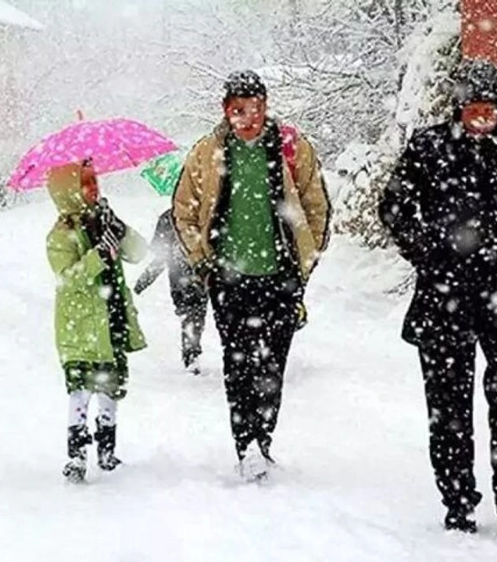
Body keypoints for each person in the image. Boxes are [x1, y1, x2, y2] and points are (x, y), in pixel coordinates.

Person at [378, 59, 497, 533]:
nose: (482, 119)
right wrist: (426, 251)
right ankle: (458, 499)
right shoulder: (429, 146)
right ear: (458, 109)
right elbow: (395, 205)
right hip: (444, 297)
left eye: (490, 110)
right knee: (448, 407)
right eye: (473, 110)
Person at [172, 70, 331, 481]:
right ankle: (245, 443)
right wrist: (202, 258)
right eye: (239, 110)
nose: (249, 117)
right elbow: (184, 210)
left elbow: (316, 202)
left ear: (266, 106)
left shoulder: (290, 148)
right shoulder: (208, 152)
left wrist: (305, 258)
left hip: (280, 275)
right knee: (238, 362)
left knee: (273, 363)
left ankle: (264, 438)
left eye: (256, 108)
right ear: (226, 111)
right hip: (228, 278)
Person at [45, 160, 148, 483]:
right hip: (82, 326)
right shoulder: (61, 235)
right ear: (69, 192)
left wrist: (118, 229)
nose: (93, 188)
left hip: (112, 317)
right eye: (85, 183)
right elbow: (67, 278)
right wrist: (97, 257)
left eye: (94, 181)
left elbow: (138, 251)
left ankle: (107, 448)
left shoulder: (103, 222)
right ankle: (76, 453)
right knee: (80, 390)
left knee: (110, 387)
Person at [134, 209, 208, 375]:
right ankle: (191, 350)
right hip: (197, 275)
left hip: (182, 278)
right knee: (195, 313)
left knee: (190, 313)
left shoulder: (168, 218)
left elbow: (160, 257)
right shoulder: (202, 214)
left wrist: (144, 281)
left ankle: (191, 351)